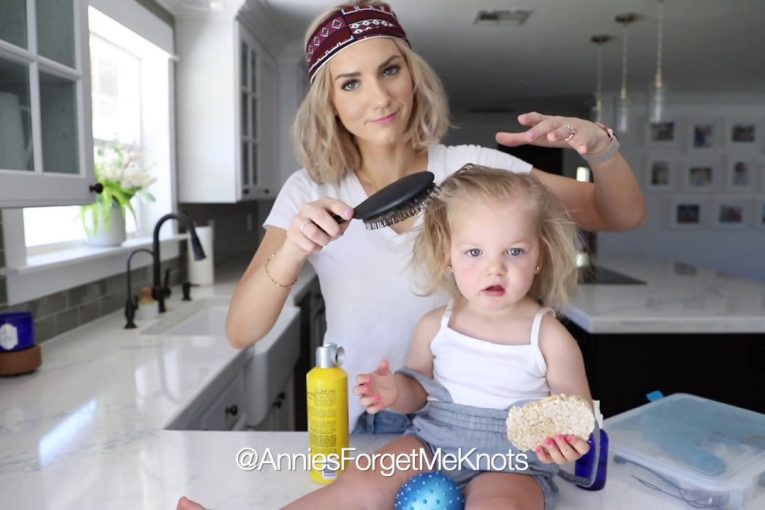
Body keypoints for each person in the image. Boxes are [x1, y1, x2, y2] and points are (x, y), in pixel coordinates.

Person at [178, 1, 642, 506]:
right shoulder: (308, 189)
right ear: (328, 101)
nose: (378, 97)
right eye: (350, 82)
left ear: (413, 74)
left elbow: (616, 214)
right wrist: (292, 248)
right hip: (378, 417)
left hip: (484, 419)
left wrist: (601, 151)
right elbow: (241, 331)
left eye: (390, 70)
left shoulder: (472, 171)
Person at [285, 164, 592, 509]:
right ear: (448, 256)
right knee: (359, 483)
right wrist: (395, 391)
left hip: (513, 462)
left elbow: (576, 408)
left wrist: (567, 435)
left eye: (515, 251)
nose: (495, 268)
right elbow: (417, 393)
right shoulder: (436, 326)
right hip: (432, 443)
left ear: (539, 256)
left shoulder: (549, 336)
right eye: (474, 252)